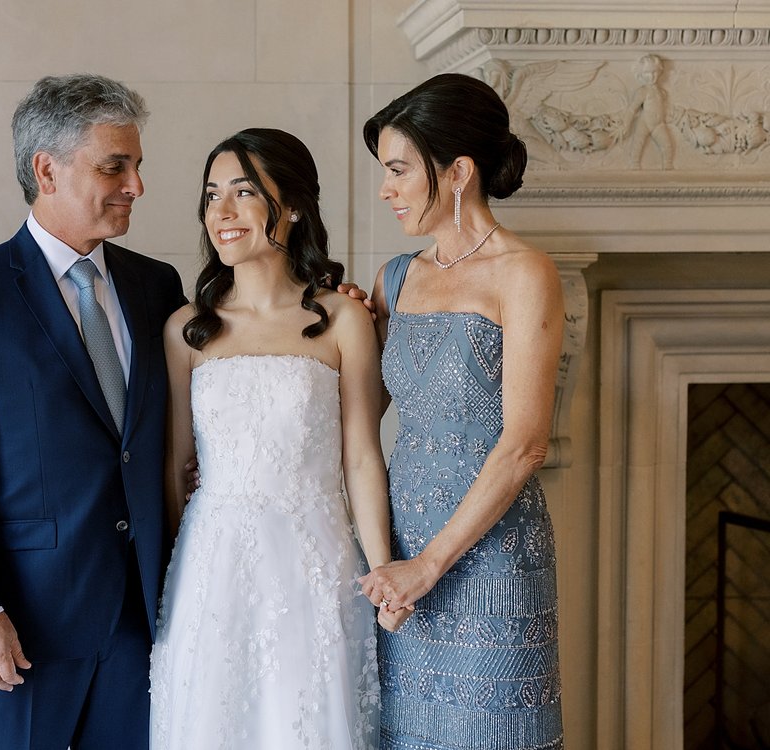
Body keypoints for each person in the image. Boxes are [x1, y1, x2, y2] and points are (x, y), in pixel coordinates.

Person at [0, 74, 186, 749]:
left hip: (146, 622)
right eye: (114, 166)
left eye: (138, 166)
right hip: (23, 629)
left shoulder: (159, 287)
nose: (136, 186)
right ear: (46, 170)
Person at [149, 128, 390, 749]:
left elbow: (362, 458)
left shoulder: (342, 317)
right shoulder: (187, 330)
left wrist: (384, 573)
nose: (221, 213)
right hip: (213, 564)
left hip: (317, 562)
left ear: (293, 206)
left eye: (243, 192)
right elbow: (177, 469)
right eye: (211, 196)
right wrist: (175, 576)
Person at [356, 73, 565, 749]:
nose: (385, 189)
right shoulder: (396, 278)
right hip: (401, 552)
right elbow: (355, 417)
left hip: (489, 556)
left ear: (458, 172)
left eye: (397, 170)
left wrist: (431, 565)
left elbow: (525, 444)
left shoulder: (524, 273)